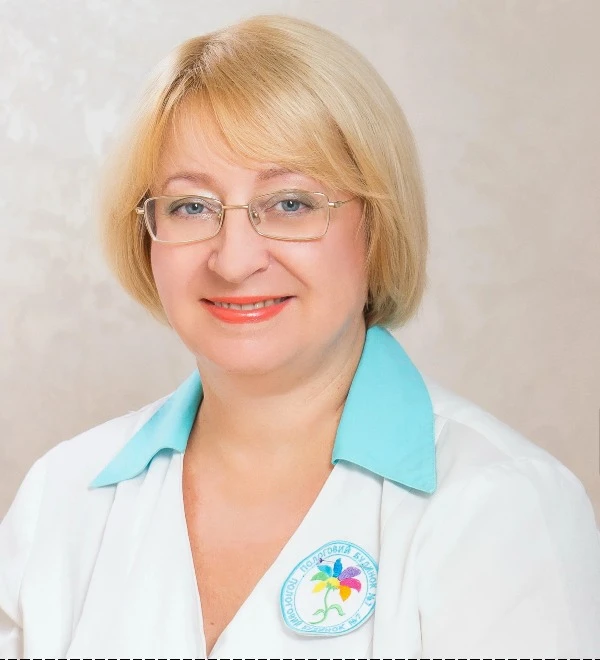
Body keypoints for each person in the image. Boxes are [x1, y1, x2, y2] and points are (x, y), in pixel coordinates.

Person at [1, 13, 599, 659]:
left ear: (377, 229)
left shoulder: (503, 507)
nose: (234, 261)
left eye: (290, 203)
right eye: (191, 206)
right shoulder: (61, 496)